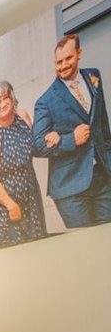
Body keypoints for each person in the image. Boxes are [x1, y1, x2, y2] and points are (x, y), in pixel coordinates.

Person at [31, 32, 111, 229]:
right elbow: (38, 146)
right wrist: (71, 139)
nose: (63, 65)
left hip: (103, 179)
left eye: (68, 58)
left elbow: (102, 124)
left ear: (79, 53)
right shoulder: (45, 101)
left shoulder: (94, 76)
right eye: (58, 62)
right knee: (84, 250)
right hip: (70, 189)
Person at [0, 81, 47, 250]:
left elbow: (36, 148)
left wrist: (51, 136)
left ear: (12, 98)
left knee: (39, 251)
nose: (3, 104)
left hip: (31, 200)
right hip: (7, 209)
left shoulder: (23, 117)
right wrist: (11, 205)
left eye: (5, 98)